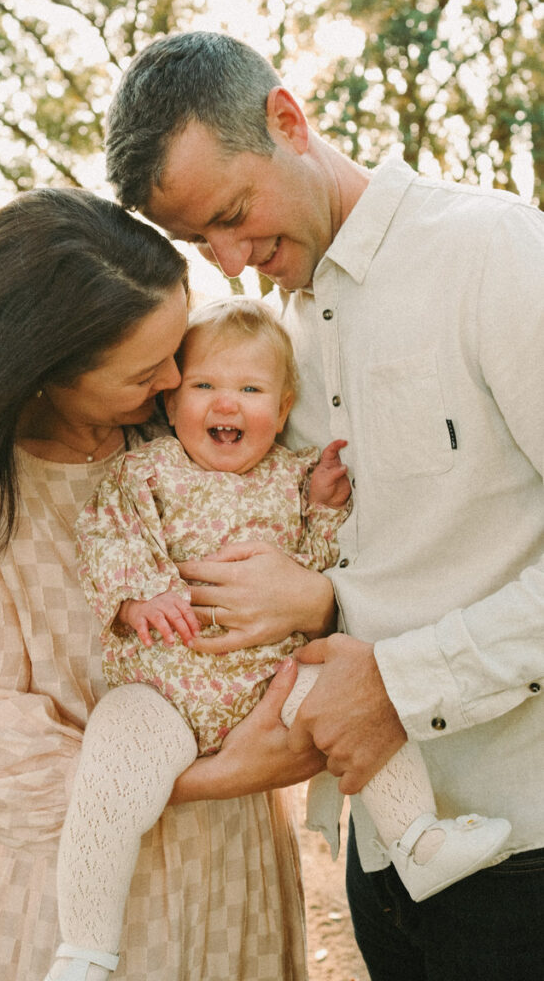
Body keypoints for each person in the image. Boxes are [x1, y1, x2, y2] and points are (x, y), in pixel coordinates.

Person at [104, 31, 544, 981]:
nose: (229, 259)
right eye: (199, 242)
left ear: (287, 120)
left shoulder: (493, 252)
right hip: (378, 847)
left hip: (527, 837)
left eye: (233, 212)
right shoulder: (270, 342)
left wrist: (401, 680)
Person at [0, 187, 331, 981]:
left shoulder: (186, 444)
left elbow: (318, 541)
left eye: (177, 348)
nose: (180, 378)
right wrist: (227, 774)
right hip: (62, 903)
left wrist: (312, 599)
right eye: (147, 371)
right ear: (43, 372)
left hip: (229, 871)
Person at [47, 295, 511, 981]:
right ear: (172, 404)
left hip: (277, 680)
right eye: (204, 385)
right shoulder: (144, 473)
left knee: (359, 695)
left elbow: (320, 565)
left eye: (249, 389)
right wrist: (139, 597)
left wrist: (324, 510)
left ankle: (415, 836)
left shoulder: (292, 477)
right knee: (112, 762)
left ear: (283, 404)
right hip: (166, 686)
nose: (224, 404)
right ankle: (85, 946)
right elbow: (107, 537)